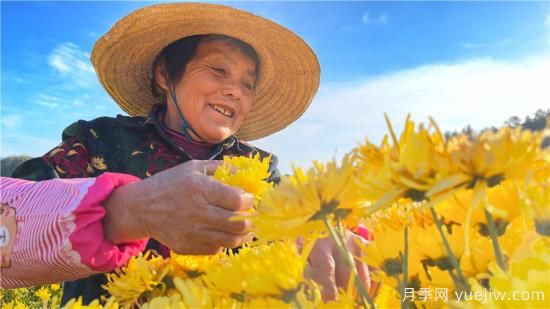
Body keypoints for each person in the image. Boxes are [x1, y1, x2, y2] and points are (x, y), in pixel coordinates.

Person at [1, 2, 370, 304]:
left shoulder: (261, 169)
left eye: (247, 83)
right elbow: (11, 216)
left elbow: (303, 216)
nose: (235, 91)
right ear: (165, 74)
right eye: (218, 70)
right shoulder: (100, 140)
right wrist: (126, 211)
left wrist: (326, 229)